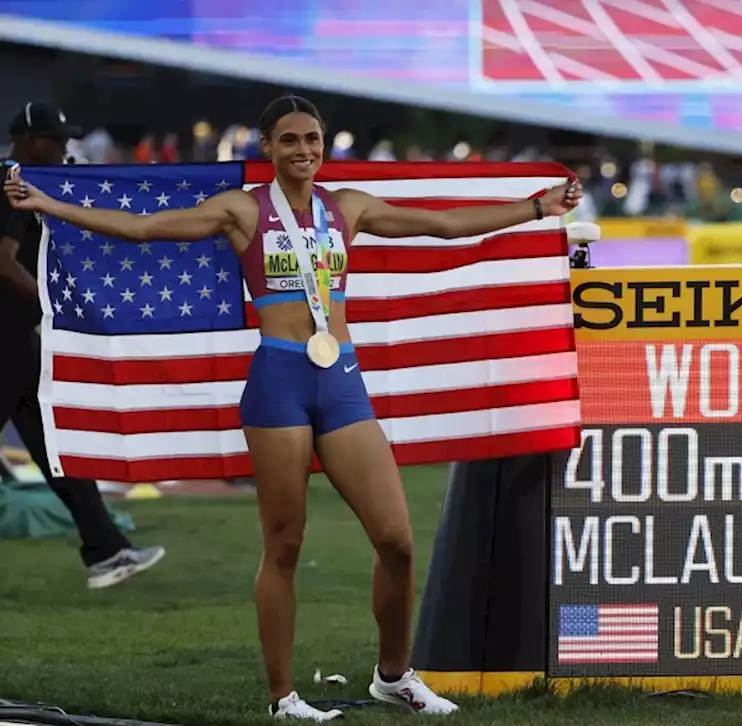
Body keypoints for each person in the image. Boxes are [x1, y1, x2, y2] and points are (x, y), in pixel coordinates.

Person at [5, 94, 582, 721]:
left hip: (341, 381)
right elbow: (145, 229)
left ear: (324, 144)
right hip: (278, 381)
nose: (303, 150)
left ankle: (395, 675)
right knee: (283, 545)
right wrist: (48, 204)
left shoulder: (348, 208)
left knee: (396, 541)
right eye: (289, 140)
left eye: (313, 138)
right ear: (268, 147)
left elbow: (440, 225)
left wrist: (535, 208)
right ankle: (283, 697)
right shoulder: (242, 210)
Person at [0, 101, 166, 589]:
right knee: (56, 445)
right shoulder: (11, 182)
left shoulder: (26, 182)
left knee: (57, 448)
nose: (65, 147)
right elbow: (2, 259)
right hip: (4, 337)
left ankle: (107, 551)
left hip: (15, 339)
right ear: (29, 141)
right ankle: (107, 550)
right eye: (57, 139)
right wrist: (46, 298)